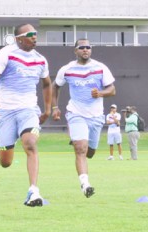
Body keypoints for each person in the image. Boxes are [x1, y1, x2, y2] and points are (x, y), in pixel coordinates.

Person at [0, 23, 52, 207]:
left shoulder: (40, 60)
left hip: (28, 109)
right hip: (5, 111)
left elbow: (46, 84)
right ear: (18, 38)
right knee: (6, 162)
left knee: (30, 143)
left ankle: (33, 190)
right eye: (30, 34)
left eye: (35, 34)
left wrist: (47, 109)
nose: (34, 37)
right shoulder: (6, 53)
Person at [51, 38, 116, 198]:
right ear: (75, 51)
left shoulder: (100, 68)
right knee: (80, 149)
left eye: (88, 47)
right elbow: (55, 86)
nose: (85, 50)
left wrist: (100, 93)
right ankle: (85, 184)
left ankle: (77, 138)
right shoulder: (67, 69)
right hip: (76, 113)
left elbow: (112, 89)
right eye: (82, 47)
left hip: (95, 117)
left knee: (90, 152)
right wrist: (54, 107)